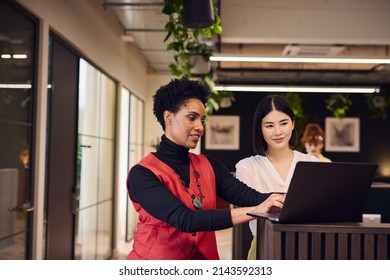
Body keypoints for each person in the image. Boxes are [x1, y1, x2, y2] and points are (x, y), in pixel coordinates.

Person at [126, 78, 285, 260]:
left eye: (202, 120)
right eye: (192, 118)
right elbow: (186, 220)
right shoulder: (142, 174)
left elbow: (248, 196)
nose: (200, 127)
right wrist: (257, 210)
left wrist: (289, 199)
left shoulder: (208, 165)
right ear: (168, 117)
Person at [235, 95, 320, 260]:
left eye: (283, 123)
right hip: (264, 249)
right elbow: (243, 212)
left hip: (307, 250)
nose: (278, 132)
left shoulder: (312, 163)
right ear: (260, 128)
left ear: (293, 124)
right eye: (269, 125)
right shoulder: (247, 167)